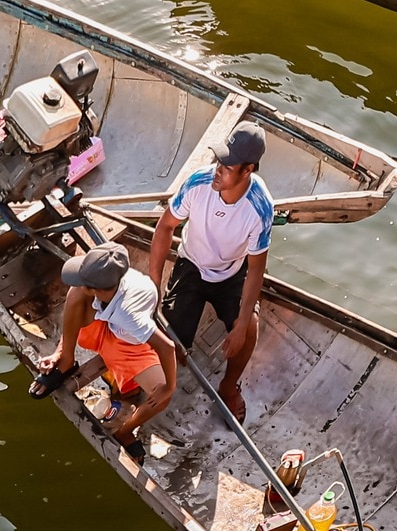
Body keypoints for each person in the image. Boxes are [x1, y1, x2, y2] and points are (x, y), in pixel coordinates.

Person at [147, 122, 274, 422]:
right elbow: (165, 227)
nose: (219, 169)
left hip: (232, 272)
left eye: (228, 166)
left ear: (248, 170)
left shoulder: (260, 207)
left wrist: (242, 324)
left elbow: (256, 269)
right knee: (171, 345)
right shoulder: (198, 183)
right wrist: (153, 285)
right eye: (219, 160)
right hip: (191, 263)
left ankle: (229, 386)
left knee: (250, 329)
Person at [27, 241, 177, 460]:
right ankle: (65, 359)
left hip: (129, 346)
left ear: (94, 289)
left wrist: (169, 387)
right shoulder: (111, 278)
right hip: (107, 323)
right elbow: (82, 296)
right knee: (75, 293)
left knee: (161, 396)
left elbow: (167, 346)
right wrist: (60, 348)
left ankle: (125, 432)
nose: (82, 285)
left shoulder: (130, 314)